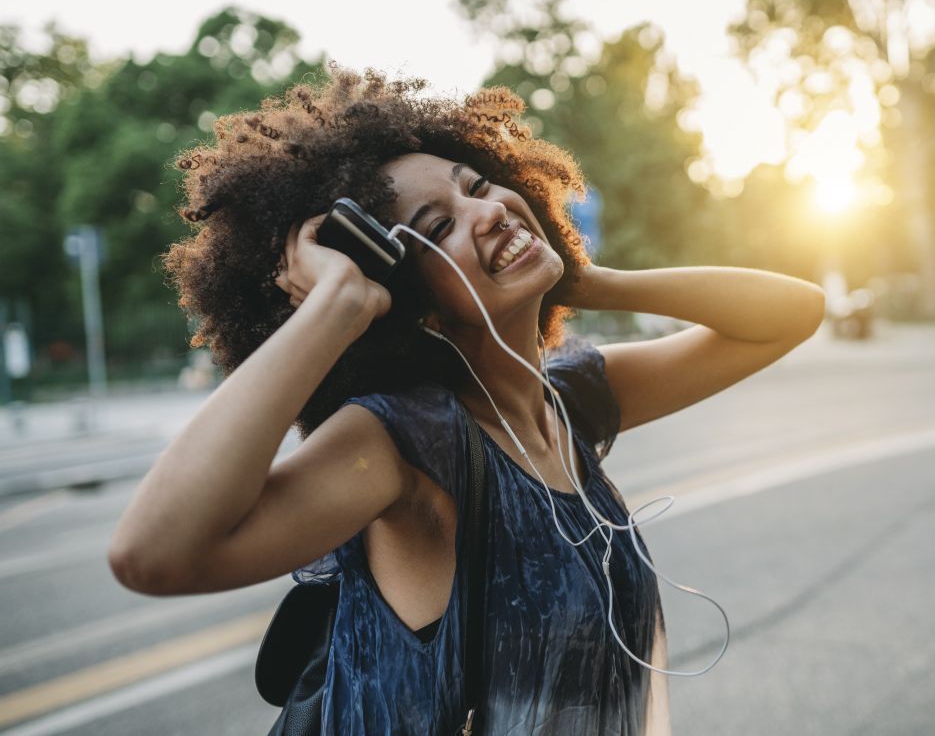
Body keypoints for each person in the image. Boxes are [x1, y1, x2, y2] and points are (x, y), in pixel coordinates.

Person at [109, 65, 825, 735]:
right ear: (412, 305)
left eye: (477, 187)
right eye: (437, 227)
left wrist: (582, 275)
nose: (487, 212)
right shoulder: (406, 444)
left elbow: (791, 312)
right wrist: (338, 305)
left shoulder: (567, 397)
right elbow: (152, 553)